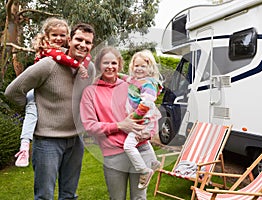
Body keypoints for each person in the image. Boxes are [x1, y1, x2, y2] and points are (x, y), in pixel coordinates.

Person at [5, 22, 96, 200]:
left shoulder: (89, 69)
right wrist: (34, 108)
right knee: (44, 196)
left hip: (76, 141)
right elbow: (12, 91)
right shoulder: (48, 65)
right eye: (78, 39)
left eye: (88, 42)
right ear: (69, 40)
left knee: (69, 195)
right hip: (48, 142)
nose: (82, 45)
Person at [80, 46, 158, 200]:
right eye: (105, 63)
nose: (110, 67)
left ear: (120, 65)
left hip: (141, 149)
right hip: (113, 154)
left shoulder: (130, 85)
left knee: (140, 198)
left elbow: (150, 108)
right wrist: (120, 125)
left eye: (114, 63)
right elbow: (89, 126)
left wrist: (150, 131)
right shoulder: (90, 92)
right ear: (98, 65)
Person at [14, 17, 91, 167]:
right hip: (34, 91)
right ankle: (24, 147)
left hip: (72, 135)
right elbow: (63, 59)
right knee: (31, 114)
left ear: (67, 37)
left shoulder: (60, 52)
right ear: (47, 36)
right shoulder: (50, 53)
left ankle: (24, 146)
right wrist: (79, 66)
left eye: (62, 35)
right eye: (54, 35)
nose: (58, 38)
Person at [119, 49, 162, 189]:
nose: (139, 69)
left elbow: (147, 103)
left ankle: (144, 171)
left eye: (143, 66)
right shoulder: (136, 80)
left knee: (129, 145)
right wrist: (114, 73)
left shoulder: (148, 84)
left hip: (143, 120)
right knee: (142, 141)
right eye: (136, 66)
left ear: (149, 68)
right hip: (142, 120)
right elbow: (126, 78)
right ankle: (154, 162)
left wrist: (135, 118)